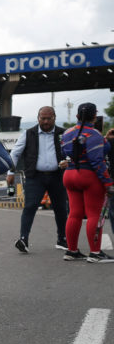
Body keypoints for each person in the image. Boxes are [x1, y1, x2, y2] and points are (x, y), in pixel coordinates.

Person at [6, 106, 69, 252]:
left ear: (54, 117)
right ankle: (23, 239)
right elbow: (15, 153)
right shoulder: (28, 134)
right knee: (29, 207)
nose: (46, 121)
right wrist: (10, 172)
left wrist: (68, 161)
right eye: (43, 118)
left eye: (49, 118)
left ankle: (62, 239)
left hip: (57, 176)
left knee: (60, 209)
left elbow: (71, 152)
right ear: (38, 118)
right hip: (35, 177)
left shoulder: (63, 134)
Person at [60, 102, 114, 262]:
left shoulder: (67, 133)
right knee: (94, 215)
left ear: (77, 116)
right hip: (88, 175)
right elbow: (97, 160)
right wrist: (108, 182)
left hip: (70, 174)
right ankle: (95, 253)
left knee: (74, 214)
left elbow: (64, 151)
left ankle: (71, 251)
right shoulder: (95, 134)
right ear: (94, 117)